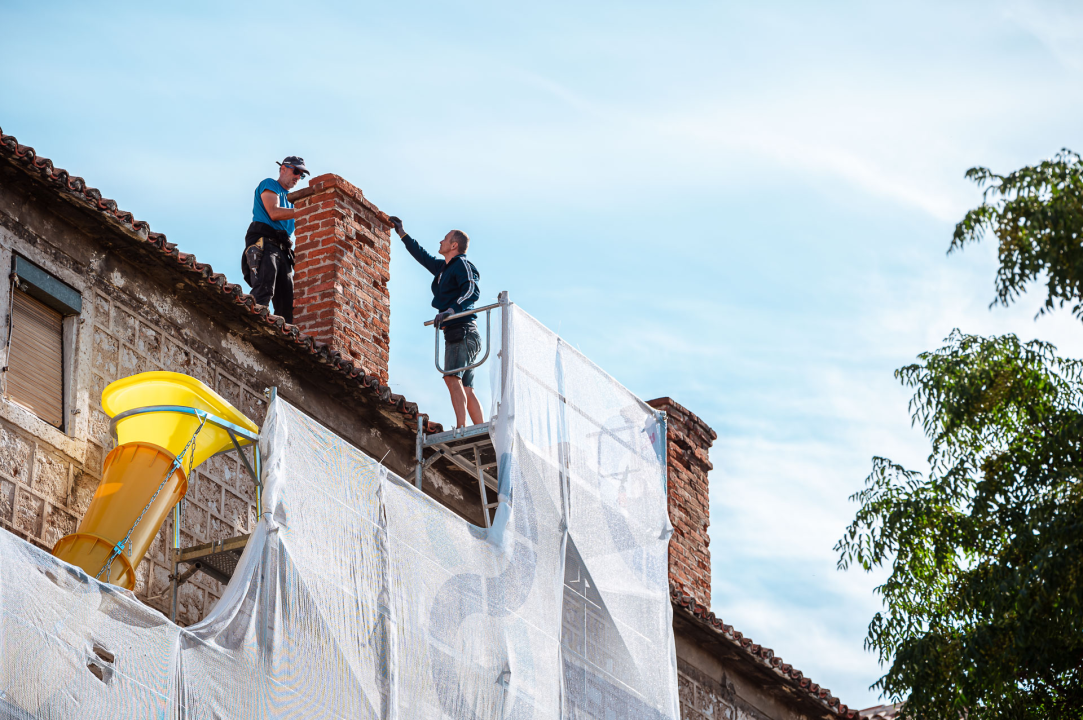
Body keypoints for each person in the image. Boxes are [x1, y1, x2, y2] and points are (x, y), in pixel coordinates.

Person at [388, 216, 483, 429]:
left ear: (454, 245)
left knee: (451, 378)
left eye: (445, 239)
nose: (440, 242)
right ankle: (481, 431)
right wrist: (402, 234)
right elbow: (422, 256)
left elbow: (472, 291)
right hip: (457, 333)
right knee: (465, 386)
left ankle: (461, 428)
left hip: (463, 331)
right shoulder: (443, 268)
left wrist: (452, 309)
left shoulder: (463, 265)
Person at [242, 156, 310, 323]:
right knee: (264, 288)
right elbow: (273, 212)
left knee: (287, 301)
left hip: (282, 248)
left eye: (301, 175)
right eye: (296, 171)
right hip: (265, 241)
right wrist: (305, 210)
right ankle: (253, 324)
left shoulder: (294, 201)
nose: (297, 177)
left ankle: (285, 338)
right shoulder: (270, 184)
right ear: (283, 169)